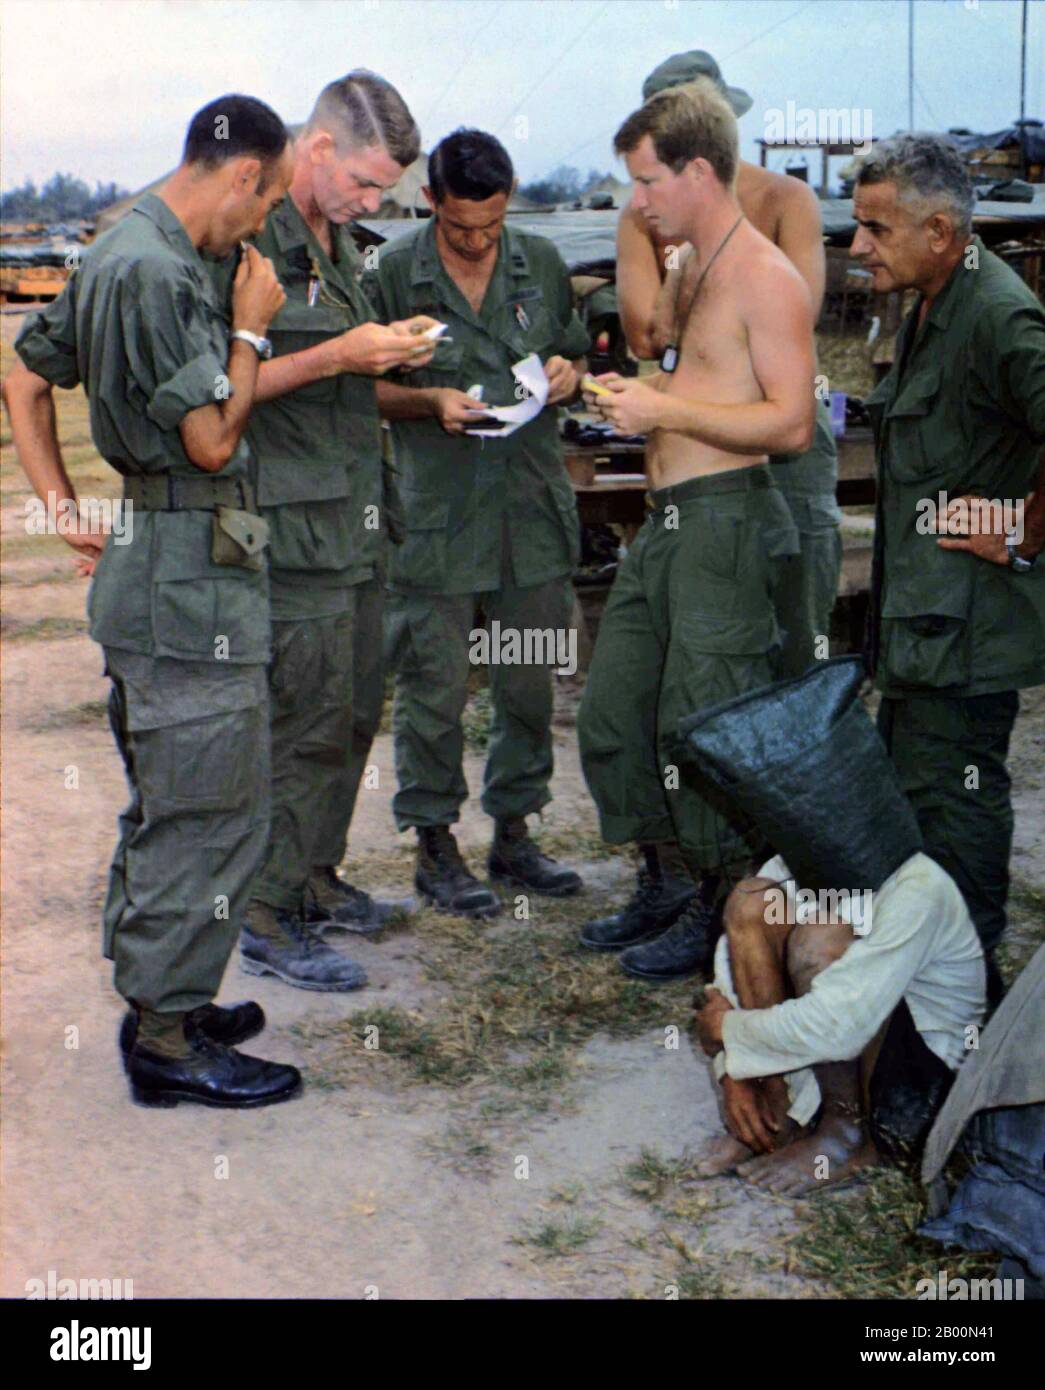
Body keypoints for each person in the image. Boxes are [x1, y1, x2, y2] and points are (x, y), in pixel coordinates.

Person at [3, 96, 301, 1107]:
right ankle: (167, 1039)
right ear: (244, 175)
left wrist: (60, 506)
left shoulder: (124, 245)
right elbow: (214, 440)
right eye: (265, 208)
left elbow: (24, 375)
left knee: (185, 799)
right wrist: (253, 334)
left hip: (178, 560)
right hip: (185, 576)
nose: (259, 233)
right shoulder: (154, 270)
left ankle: (167, 996)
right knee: (205, 811)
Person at [596, 49, 841, 972]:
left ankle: (724, 905)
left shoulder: (768, 276)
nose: (638, 200)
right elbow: (660, 347)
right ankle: (665, 879)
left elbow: (787, 424)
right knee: (619, 706)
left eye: (650, 180)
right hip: (664, 522)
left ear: (698, 171)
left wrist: (664, 411)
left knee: (705, 722)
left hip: (725, 521)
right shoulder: (696, 259)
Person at [230, 71, 438, 992]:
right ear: (316, 149)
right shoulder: (247, 242)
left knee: (351, 710)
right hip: (292, 530)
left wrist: (389, 355)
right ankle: (265, 914)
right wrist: (340, 354)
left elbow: (342, 376)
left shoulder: (339, 244)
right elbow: (215, 394)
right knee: (301, 719)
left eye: (382, 193)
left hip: (357, 520)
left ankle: (314, 876)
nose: (372, 203)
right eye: (363, 185)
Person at [369, 128, 590, 916]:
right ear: (429, 201)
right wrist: (425, 401)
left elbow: (570, 352)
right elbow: (352, 388)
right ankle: (433, 843)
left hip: (528, 512)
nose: (476, 241)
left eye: (490, 225)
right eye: (461, 227)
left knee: (527, 684)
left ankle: (515, 834)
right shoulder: (392, 273)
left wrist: (569, 374)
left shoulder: (540, 262)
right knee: (433, 690)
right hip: (437, 518)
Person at [851, 133, 1045, 994]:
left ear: (939, 229)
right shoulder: (933, 299)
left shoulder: (996, 312)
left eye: (875, 229)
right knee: (913, 798)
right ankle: (927, 979)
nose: (859, 247)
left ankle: (969, 992)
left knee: (957, 804)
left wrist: (1025, 529)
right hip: (921, 620)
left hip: (965, 629)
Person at [692, 849, 985, 1197]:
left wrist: (728, 1030)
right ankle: (779, 1116)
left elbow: (839, 1028)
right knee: (750, 901)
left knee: (819, 938)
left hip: (916, 1072)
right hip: (834, 1038)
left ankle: (847, 1133)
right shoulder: (802, 850)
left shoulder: (920, 883)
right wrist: (736, 1074)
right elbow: (725, 984)